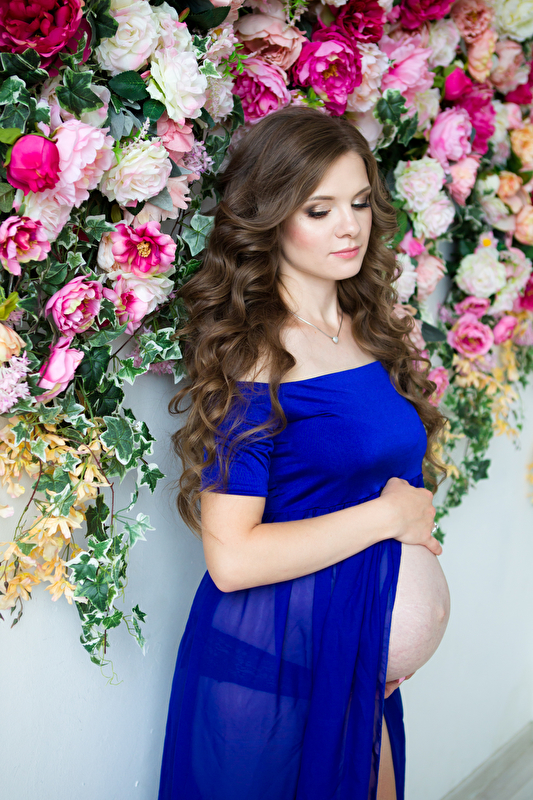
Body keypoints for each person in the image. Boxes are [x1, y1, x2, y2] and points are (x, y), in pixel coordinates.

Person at [159, 106, 447, 800]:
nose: (349, 226)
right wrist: (390, 518)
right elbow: (232, 559)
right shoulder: (254, 355)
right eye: (319, 210)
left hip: (353, 654)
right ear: (271, 217)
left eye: (358, 203)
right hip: (277, 659)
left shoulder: (366, 327)